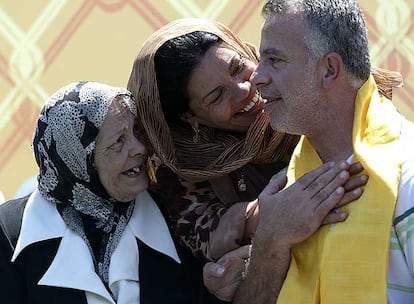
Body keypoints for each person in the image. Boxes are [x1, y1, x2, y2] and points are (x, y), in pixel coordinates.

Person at [127, 18, 394, 301]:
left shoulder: (316, 83)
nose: (244, 90)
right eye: (217, 96)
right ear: (190, 118)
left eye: (238, 68)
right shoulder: (180, 168)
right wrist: (273, 221)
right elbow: (210, 245)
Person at [238, 0, 412, 303]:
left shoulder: (406, 178)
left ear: (329, 69)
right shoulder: (288, 190)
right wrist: (268, 242)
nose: (256, 78)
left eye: (275, 60)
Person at [0, 81, 214, 303]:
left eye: (136, 130)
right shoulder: (8, 232)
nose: (140, 148)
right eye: (119, 141)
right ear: (78, 160)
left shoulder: (175, 210)